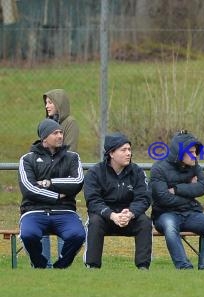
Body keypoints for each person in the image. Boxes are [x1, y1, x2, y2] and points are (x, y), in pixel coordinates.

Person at [150, 130, 204, 270]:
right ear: (180, 152)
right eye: (191, 152)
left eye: (196, 152)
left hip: (190, 214)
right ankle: (184, 267)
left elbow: (202, 187)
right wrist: (189, 193)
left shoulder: (194, 166)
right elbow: (163, 198)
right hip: (165, 214)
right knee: (170, 227)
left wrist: (176, 189)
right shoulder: (158, 169)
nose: (195, 156)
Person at [17, 119, 86, 268]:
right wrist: (57, 195)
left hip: (65, 211)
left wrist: (48, 183)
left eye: (61, 132)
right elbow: (29, 189)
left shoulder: (72, 157)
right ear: (44, 138)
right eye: (55, 133)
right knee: (28, 235)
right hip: (34, 211)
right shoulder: (27, 159)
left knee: (78, 235)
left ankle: (61, 266)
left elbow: (78, 182)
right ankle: (40, 264)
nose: (60, 136)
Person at [83, 133, 152, 269]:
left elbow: (144, 198)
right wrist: (112, 215)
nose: (128, 153)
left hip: (128, 216)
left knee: (144, 221)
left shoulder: (137, 172)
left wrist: (131, 213)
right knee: (94, 221)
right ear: (111, 153)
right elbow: (93, 201)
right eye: (123, 150)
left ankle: (143, 267)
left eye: (129, 149)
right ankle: (92, 266)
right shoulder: (95, 172)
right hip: (105, 216)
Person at [41, 89, 80, 266]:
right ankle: (44, 263)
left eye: (50, 102)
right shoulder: (47, 123)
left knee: (64, 216)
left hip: (63, 179)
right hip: (45, 179)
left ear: (59, 103)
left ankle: (63, 263)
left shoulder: (70, 123)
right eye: (46, 102)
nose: (47, 105)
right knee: (41, 215)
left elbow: (69, 152)